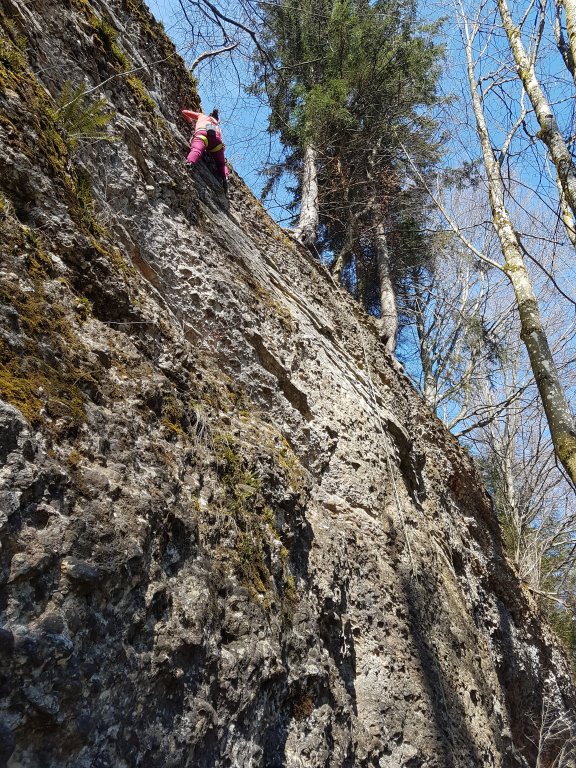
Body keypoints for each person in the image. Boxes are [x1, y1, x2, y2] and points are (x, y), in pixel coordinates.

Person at [182, 107, 229, 192]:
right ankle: (225, 177)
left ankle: (190, 163)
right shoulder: (216, 125)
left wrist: (190, 122)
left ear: (210, 114)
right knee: (221, 163)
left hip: (202, 133)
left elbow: (184, 112)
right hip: (217, 141)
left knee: (197, 149)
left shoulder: (201, 116)